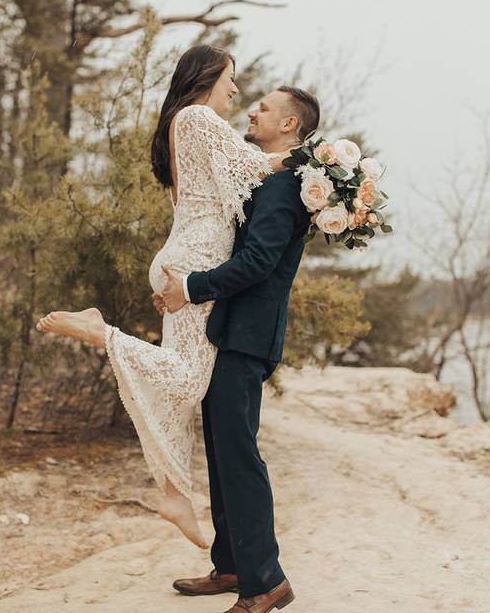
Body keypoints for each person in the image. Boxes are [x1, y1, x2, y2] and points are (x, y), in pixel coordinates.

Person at [35, 44, 287, 549]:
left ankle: (175, 494)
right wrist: (329, 163)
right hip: (194, 262)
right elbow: (258, 166)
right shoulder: (196, 117)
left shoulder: (180, 121)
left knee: (180, 383)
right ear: (208, 75)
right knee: (189, 378)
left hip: (182, 257)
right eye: (231, 78)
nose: (236, 91)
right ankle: (97, 329)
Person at [159, 85, 319, 613]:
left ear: (290, 125)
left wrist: (190, 287)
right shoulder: (267, 177)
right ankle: (230, 565)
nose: (253, 109)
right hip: (228, 331)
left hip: (247, 335)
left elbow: (257, 264)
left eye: (266, 108)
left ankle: (265, 582)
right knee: (223, 449)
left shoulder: (285, 188)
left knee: (240, 455)